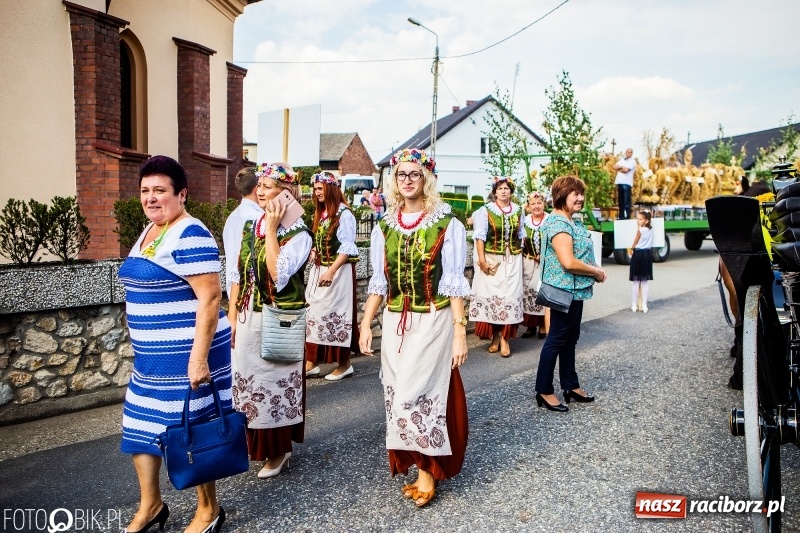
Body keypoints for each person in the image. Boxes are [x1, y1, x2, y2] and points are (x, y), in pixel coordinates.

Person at [118, 155, 229, 533]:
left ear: (181, 194)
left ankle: (209, 511)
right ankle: (151, 506)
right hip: (151, 359)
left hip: (186, 354)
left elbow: (210, 298)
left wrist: (198, 360)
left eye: (160, 190)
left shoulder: (191, 233)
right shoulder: (151, 230)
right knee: (139, 428)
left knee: (190, 430)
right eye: (145, 190)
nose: (150, 198)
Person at [359, 148, 470, 508]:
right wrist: (365, 322)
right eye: (401, 174)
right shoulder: (385, 227)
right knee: (397, 394)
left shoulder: (446, 224)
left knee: (420, 393)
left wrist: (459, 332)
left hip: (434, 319)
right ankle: (421, 465)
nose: (407, 180)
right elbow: (379, 283)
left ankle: (428, 472)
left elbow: (454, 283)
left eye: (414, 174)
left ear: (427, 179)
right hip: (396, 322)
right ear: (394, 180)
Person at [227, 162, 312, 479]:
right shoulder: (252, 225)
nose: (260, 191)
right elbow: (238, 275)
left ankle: (278, 450)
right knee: (250, 381)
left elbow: (278, 274)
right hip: (249, 317)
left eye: (268, 186)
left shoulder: (300, 234)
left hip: (278, 319)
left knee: (273, 382)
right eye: (259, 185)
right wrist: (232, 318)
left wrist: (273, 229)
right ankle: (259, 446)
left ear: (287, 193)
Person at [534, 175, 607, 412]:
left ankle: (570, 385)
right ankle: (544, 390)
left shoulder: (572, 222)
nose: (580, 198)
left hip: (575, 291)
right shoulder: (558, 223)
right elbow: (568, 262)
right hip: (563, 291)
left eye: (581, 193)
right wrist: (595, 271)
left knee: (570, 338)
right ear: (561, 195)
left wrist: (593, 269)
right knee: (556, 339)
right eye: (575, 193)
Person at [305, 171, 360, 380]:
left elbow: (347, 247)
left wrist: (331, 270)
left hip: (338, 272)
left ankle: (345, 364)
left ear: (330, 189)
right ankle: (312, 362)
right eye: (315, 189)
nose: (317, 193)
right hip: (322, 270)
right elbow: (322, 239)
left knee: (337, 316)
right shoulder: (323, 213)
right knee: (315, 314)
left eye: (320, 189)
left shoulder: (344, 214)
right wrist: (314, 250)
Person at [469, 176, 524, 357]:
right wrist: (482, 260)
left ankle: (505, 339)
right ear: (495, 192)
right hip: (493, 259)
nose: (503, 191)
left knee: (510, 298)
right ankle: (495, 337)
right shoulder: (485, 211)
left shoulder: (519, 210)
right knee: (492, 297)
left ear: (511, 191)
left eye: (506, 188)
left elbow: (521, 235)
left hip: (513, 260)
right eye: (500, 188)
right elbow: (480, 237)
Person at [222, 167, 263, 297]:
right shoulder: (259, 217)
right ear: (257, 188)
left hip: (232, 289)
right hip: (252, 290)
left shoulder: (231, 217)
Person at [521, 191, 549, 338]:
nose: (536, 206)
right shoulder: (524, 221)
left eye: (539, 203)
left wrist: (543, 255)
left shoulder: (549, 220)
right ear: (528, 206)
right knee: (528, 291)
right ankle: (530, 326)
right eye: (533, 204)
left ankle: (543, 324)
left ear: (544, 204)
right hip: (528, 262)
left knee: (541, 292)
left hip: (546, 263)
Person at [629, 209, 654, 313]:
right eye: (637, 219)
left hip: (638, 254)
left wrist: (631, 248)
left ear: (646, 221)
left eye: (640, 219)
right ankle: (644, 305)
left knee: (636, 281)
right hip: (647, 255)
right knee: (644, 281)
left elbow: (635, 241)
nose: (638, 221)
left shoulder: (640, 230)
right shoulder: (650, 230)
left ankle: (634, 304)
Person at [613, 148, 635, 219]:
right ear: (625, 153)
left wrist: (619, 169)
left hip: (627, 183)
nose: (629, 153)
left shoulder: (632, 161)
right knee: (620, 200)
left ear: (632, 154)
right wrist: (622, 167)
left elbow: (626, 170)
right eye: (628, 152)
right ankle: (621, 216)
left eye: (630, 152)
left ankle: (627, 216)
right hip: (620, 182)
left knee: (626, 201)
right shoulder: (622, 160)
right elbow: (614, 167)